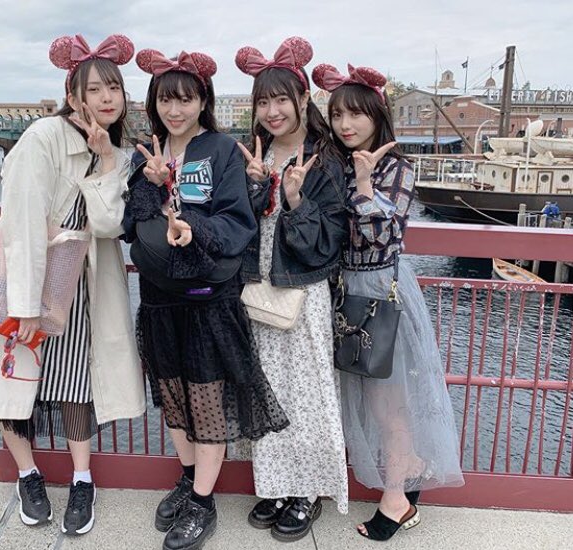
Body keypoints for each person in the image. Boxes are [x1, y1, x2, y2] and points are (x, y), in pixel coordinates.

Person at [0, 34, 145, 535]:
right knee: (13, 379)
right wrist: (23, 305)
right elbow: (21, 221)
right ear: (74, 96)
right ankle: (28, 475)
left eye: (114, 88)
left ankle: (82, 479)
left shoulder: (118, 154)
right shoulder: (42, 137)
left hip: (80, 285)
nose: (106, 98)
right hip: (21, 278)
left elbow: (108, 224)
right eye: (95, 89)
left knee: (76, 381)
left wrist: (104, 160)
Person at [123, 47, 289, 550]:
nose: (175, 110)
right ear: (153, 104)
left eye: (185, 100)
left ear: (202, 102)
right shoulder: (145, 154)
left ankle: (203, 500)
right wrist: (152, 185)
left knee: (206, 399)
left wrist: (193, 229)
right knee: (173, 394)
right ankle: (189, 476)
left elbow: (238, 221)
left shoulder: (221, 150)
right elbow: (131, 224)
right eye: (165, 100)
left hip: (209, 298)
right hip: (159, 297)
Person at [312, 62, 464, 541]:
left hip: (380, 289)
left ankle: (397, 500)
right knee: (366, 394)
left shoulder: (396, 167)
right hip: (346, 290)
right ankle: (409, 464)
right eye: (338, 115)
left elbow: (385, 234)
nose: (346, 124)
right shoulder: (336, 162)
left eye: (356, 114)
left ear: (378, 116)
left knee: (387, 401)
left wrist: (363, 185)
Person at [233, 37, 349, 543]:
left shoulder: (326, 160)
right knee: (266, 388)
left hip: (302, 288)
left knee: (308, 391)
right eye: (263, 101)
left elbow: (324, 244)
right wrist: (257, 188)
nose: (273, 111)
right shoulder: (254, 155)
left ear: (304, 99)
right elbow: (240, 226)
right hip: (256, 287)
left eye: (282, 99)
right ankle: (276, 484)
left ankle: (308, 489)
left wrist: (296, 200)